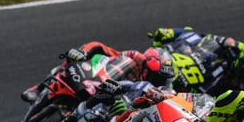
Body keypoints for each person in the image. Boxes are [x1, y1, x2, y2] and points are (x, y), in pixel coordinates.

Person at [21, 41, 174, 102]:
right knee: (70, 60)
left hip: (109, 100)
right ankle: (39, 88)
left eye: (158, 77)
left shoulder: (158, 90)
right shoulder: (135, 57)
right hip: (97, 80)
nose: (154, 78)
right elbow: (102, 48)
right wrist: (83, 52)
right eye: (153, 73)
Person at [148, 27, 244, 95]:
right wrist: (171, 33)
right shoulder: (233, 47)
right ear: (243, 61)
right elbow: (199, 36)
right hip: (182, 70)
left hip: (198, 100)